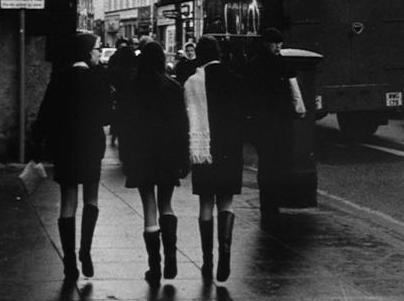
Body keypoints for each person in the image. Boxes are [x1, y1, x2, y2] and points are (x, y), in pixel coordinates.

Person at [32, 32, 111, 282]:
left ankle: (68, 261)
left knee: (68, 202)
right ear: (88, 53)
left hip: (65, 147)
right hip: (90, 147)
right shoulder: (97, 79)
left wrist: (39, 143)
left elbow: (45, 114)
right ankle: (85, 252)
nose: (100, 53)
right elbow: (107, 117)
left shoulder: (60, 78)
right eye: (98, 49)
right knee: (91, 198)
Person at [116, 41, 189, 285]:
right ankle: (171, 258)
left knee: (149, 206)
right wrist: (183, 157)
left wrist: (126, 156)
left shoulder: (131, 88)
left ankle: (154, 267)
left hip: (141, 155)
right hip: (167, 154)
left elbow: (123, 126)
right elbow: (182, 126)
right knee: (166, 203)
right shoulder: (174, 87)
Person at [184, 35, 247, 282]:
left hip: (204, 148)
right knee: (226, 203)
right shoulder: (235, 80)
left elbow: (186, 115)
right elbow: (244, 115)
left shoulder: (192, 83)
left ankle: (207, 261)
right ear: (219, 53)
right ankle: (225, 256)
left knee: (206, 204)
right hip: (229, 149)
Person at [245, 27, 306, 227]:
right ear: (267, 43)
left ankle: (268, 204)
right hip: (275, 122)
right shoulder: (276, 63)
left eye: (280, 44)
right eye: (275, 44)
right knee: (275, 163)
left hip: (264, 124)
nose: (279, 47)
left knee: (267, 164)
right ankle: (273, 203)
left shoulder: (255, 63)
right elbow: (290, 87)